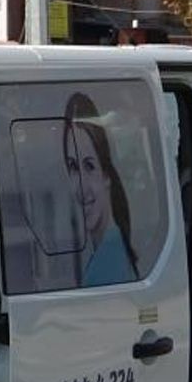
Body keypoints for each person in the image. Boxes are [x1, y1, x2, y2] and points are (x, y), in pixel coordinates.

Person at [63, 93, 138, 286]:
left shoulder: (109, 265)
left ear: (107, 175)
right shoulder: (111, 250)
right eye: (73, 167)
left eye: (89, 166)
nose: (81, 187)